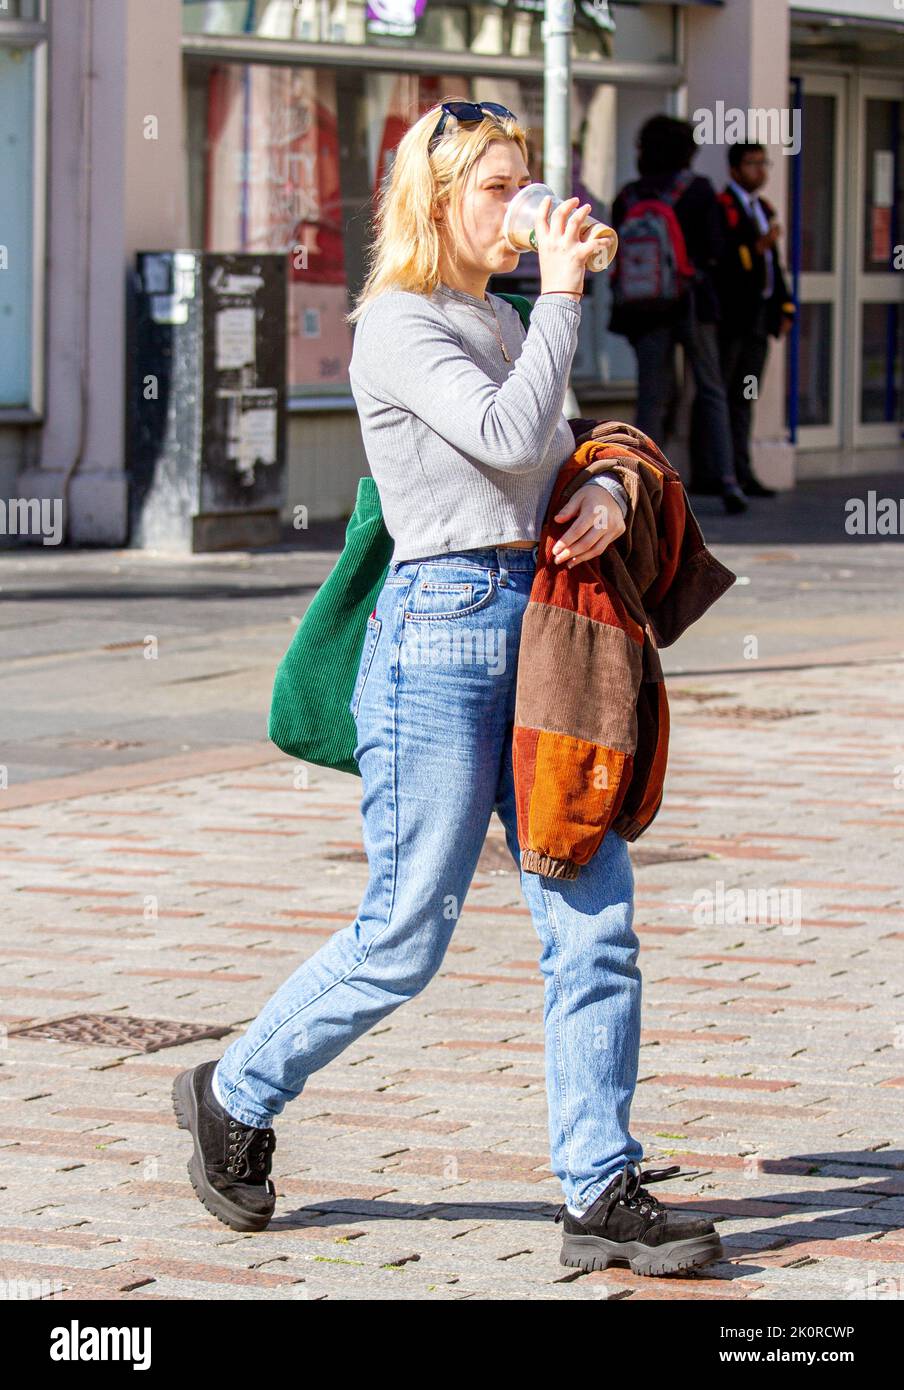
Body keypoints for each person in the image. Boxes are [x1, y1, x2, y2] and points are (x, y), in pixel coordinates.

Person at [172, 98, 722, 1277]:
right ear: (435, 202)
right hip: (439, 638)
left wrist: (614, 497)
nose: (522, 209)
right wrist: (567, 299)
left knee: (593, 913)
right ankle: (234, 1088)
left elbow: (555, 465)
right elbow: (508, 440)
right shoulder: (397, 323)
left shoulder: (499, 312)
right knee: (407, 932)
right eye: (496, 189)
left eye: (526, 182)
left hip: (544, 627)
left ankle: (599, 1185)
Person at [610, 114, 748, 515]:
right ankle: (727, 479)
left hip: (647, 309)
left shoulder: (629, 196)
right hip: (693, 304)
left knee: (652, 397)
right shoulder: (700, 191)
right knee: (711, 388)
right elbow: (718, 251)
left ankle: (642, 483)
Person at [715, 141, 796, 497]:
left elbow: (773, 266)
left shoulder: (762, 207)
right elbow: (722, 260)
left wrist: (785, 306)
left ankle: (743, 471)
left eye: (764, 164)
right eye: (752, 164)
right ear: (734, 170)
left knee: (746, 394)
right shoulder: (724, 207)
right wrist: (755, 248)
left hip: (759, 320)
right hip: (732, 320)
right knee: (725, 394)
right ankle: (725, 473)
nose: (760, 171)